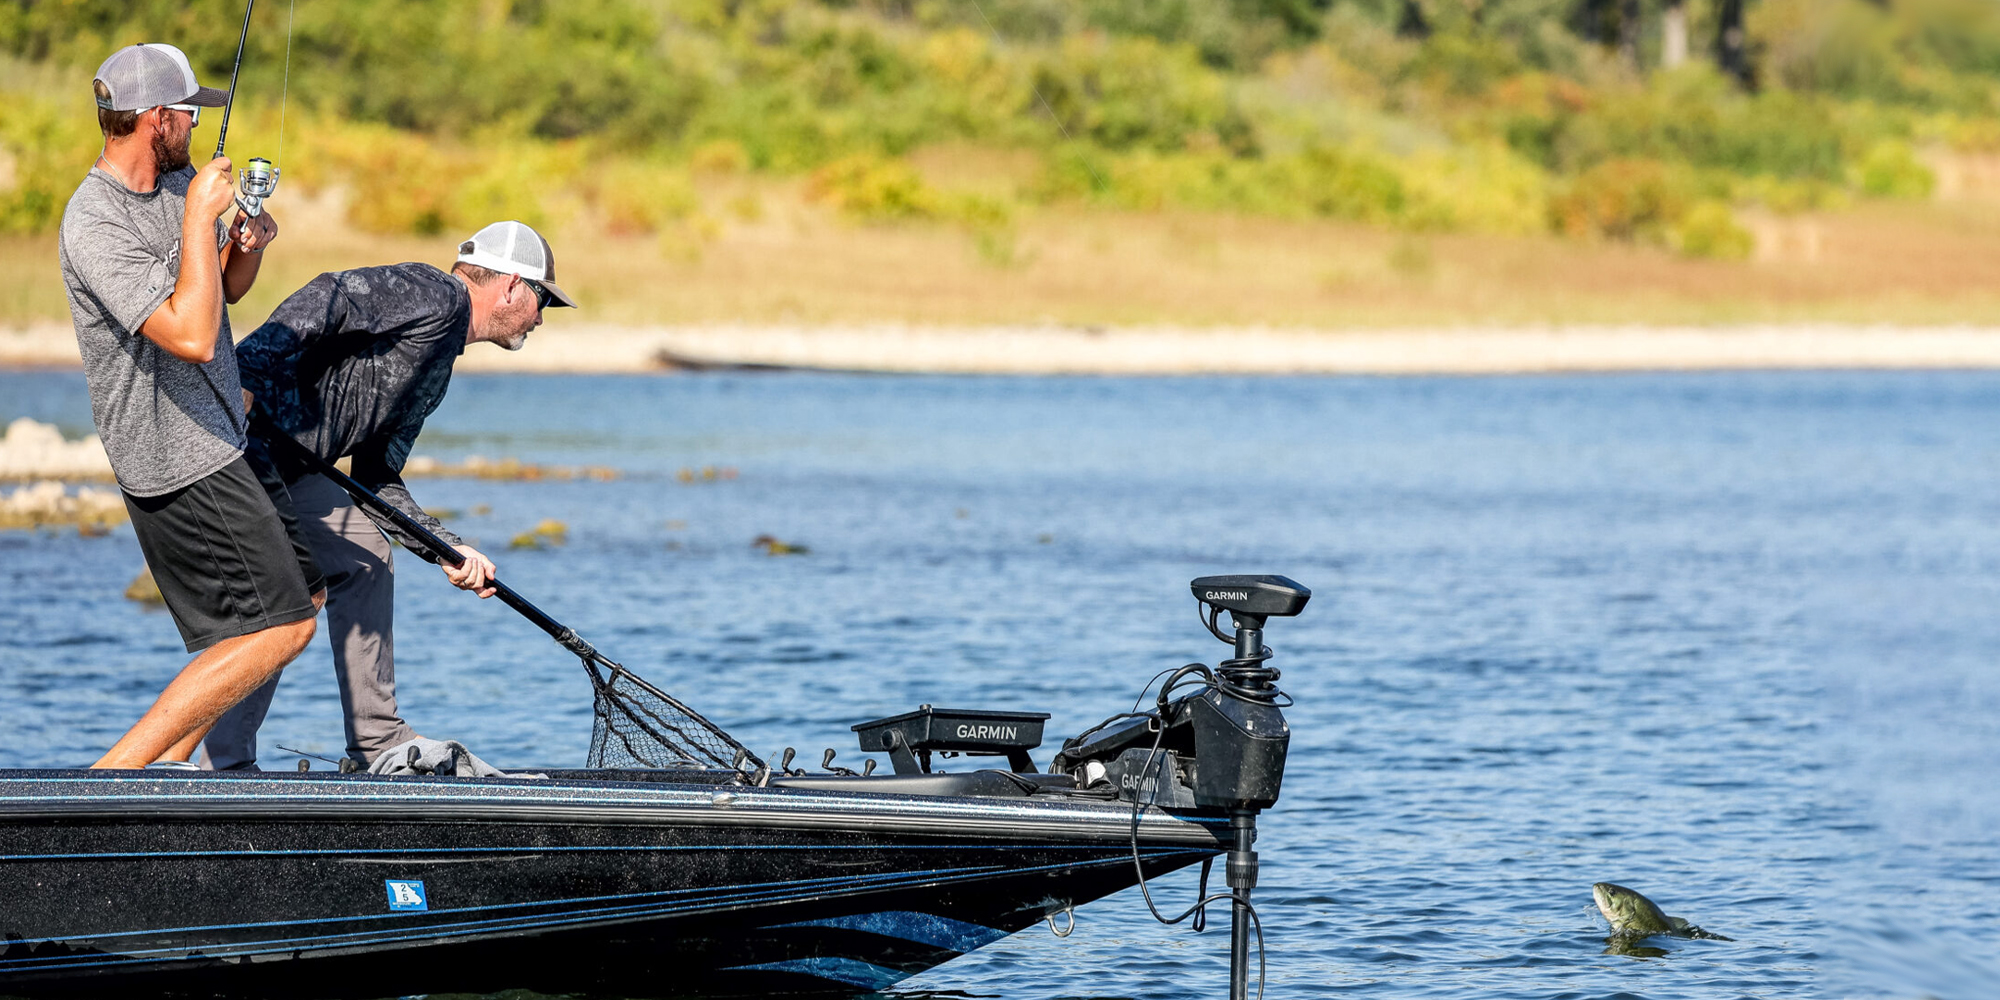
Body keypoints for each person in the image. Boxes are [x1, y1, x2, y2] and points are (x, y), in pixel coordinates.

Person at [205, 220, 577, 771]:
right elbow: (332, 294)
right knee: (290, 598)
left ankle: (377, 742)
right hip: (244, 449)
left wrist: (448, 549)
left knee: (367, 559)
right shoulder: (437, 295)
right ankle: (223, 767)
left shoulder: (438, 364)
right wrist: (250, 368)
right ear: (512, 286)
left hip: (294, 469)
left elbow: (376, 477)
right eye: (542, 299)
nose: (542, 316)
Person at [57, 43, 321, 769]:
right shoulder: (94, 222)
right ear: (156, 120)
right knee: (278, 628)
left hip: (222, 435)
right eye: (189, 116)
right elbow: (191, 335)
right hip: (173, 456)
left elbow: (224, 293)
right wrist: (202, 210)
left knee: (306, 596)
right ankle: (113, 778)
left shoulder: (177, 189)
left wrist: (244, 243)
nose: (197, 129)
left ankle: (171, 770)